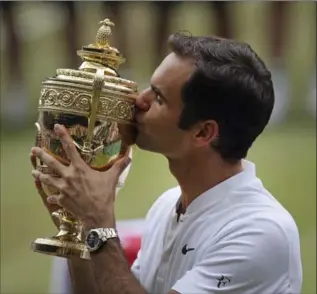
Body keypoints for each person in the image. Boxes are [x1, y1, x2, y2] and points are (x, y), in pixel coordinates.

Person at [31, 33, 302, 294]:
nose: (139, 100)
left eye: (158, 98)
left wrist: (99, 221)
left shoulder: (259, 233)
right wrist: (76, 227)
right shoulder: (167, 207)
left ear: (203, 133)